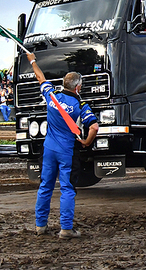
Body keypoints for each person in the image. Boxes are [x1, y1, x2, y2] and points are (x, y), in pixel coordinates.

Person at [26, 52, 99, 239]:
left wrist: (32, 60)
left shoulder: (52, 96)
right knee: (67, 189)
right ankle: (66, 229)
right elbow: (94, 127)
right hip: (67, 151)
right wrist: (86, 142)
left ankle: (40, 226)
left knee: (45, 186)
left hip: (49, 148)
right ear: (78, 87)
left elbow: (40, 77)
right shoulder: (80, 104)